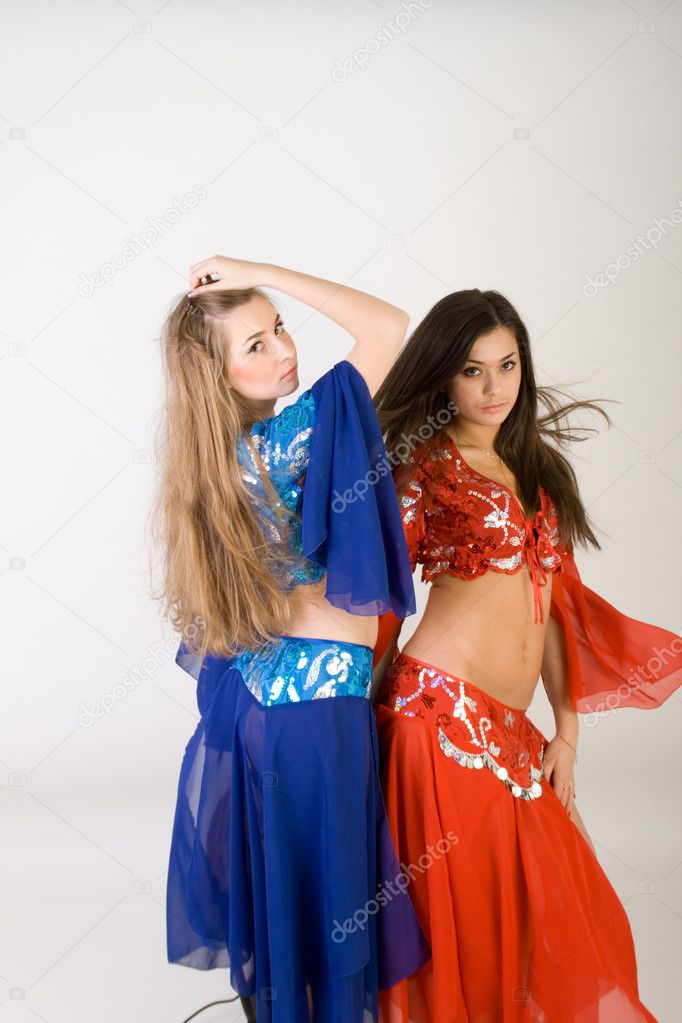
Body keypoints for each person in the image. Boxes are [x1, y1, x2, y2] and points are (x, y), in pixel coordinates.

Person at [370, 289, 680, 1023]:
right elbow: (377, 592)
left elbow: (554, 608)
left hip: (512, 729)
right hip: (436, 718)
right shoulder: (426, 466)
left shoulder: (534, 471)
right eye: (473, 371)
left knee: (562, 913)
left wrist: (566, 732)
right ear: (443, 378)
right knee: (461, 921)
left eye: (507, 365)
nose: (493, 387)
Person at [150, 257, 430, 1023]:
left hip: (257, 710)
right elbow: (387, 327)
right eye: (255, 345)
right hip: (314, 716)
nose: (284, 352)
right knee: (332, 912)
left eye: (279, 329)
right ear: (218, 377)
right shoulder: (294, 439)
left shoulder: (212, 472)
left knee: (286, 906)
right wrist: (249, 264)